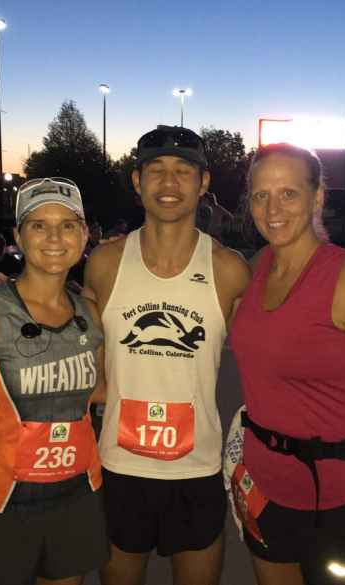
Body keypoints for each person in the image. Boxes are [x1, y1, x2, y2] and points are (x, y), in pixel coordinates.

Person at [229, 143, 345, 585]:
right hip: (263, 487)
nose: (272, 208)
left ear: (318, 197)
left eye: (288, 193)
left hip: (338, 497)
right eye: (260, 195)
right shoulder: (256, 269)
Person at [84, 125, 250, 585]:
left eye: (183, 171)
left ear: (204, 183)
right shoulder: (104, 262)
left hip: (197, 468)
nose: (169, 183)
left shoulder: (229, 269)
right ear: (137, 183)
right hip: (119, 466)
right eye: (156, 171)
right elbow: (80, 349)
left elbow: (268, 357)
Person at [0, 177, 109, 585]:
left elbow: (99, 391)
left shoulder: (89, 314)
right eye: (38, 225)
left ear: (83, 235)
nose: (54, 237)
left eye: (67, 225)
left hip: (77, 495)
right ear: (18, 236)